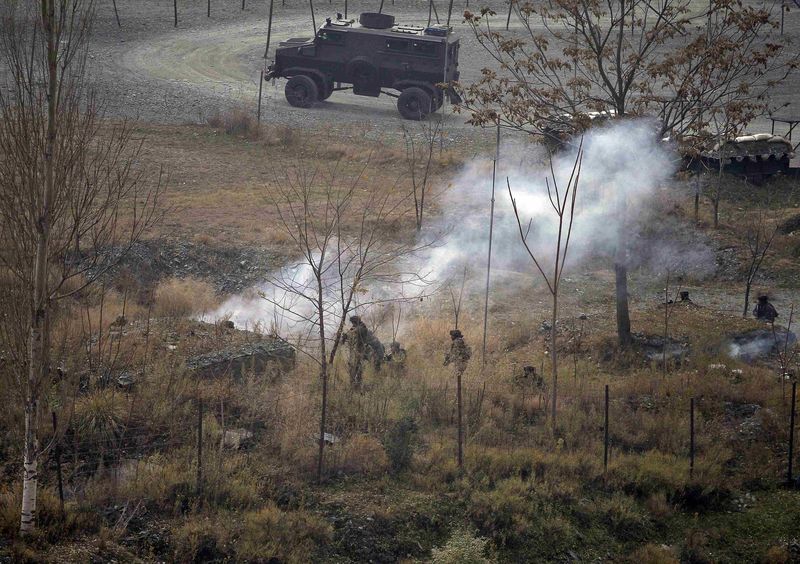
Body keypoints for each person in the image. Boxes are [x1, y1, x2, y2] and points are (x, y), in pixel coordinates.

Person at [342, 315, 369, 388]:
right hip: (356, 350)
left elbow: (354, 332)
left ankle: (358, 384)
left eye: (353, 322)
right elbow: (350, 332)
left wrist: (347, 334)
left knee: (358, 367)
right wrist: (344, 336)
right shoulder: (356, 327)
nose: (352, 324)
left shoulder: (362, 327)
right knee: (354, 367)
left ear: (356, 321)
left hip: (361, 350)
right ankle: (355, 383)